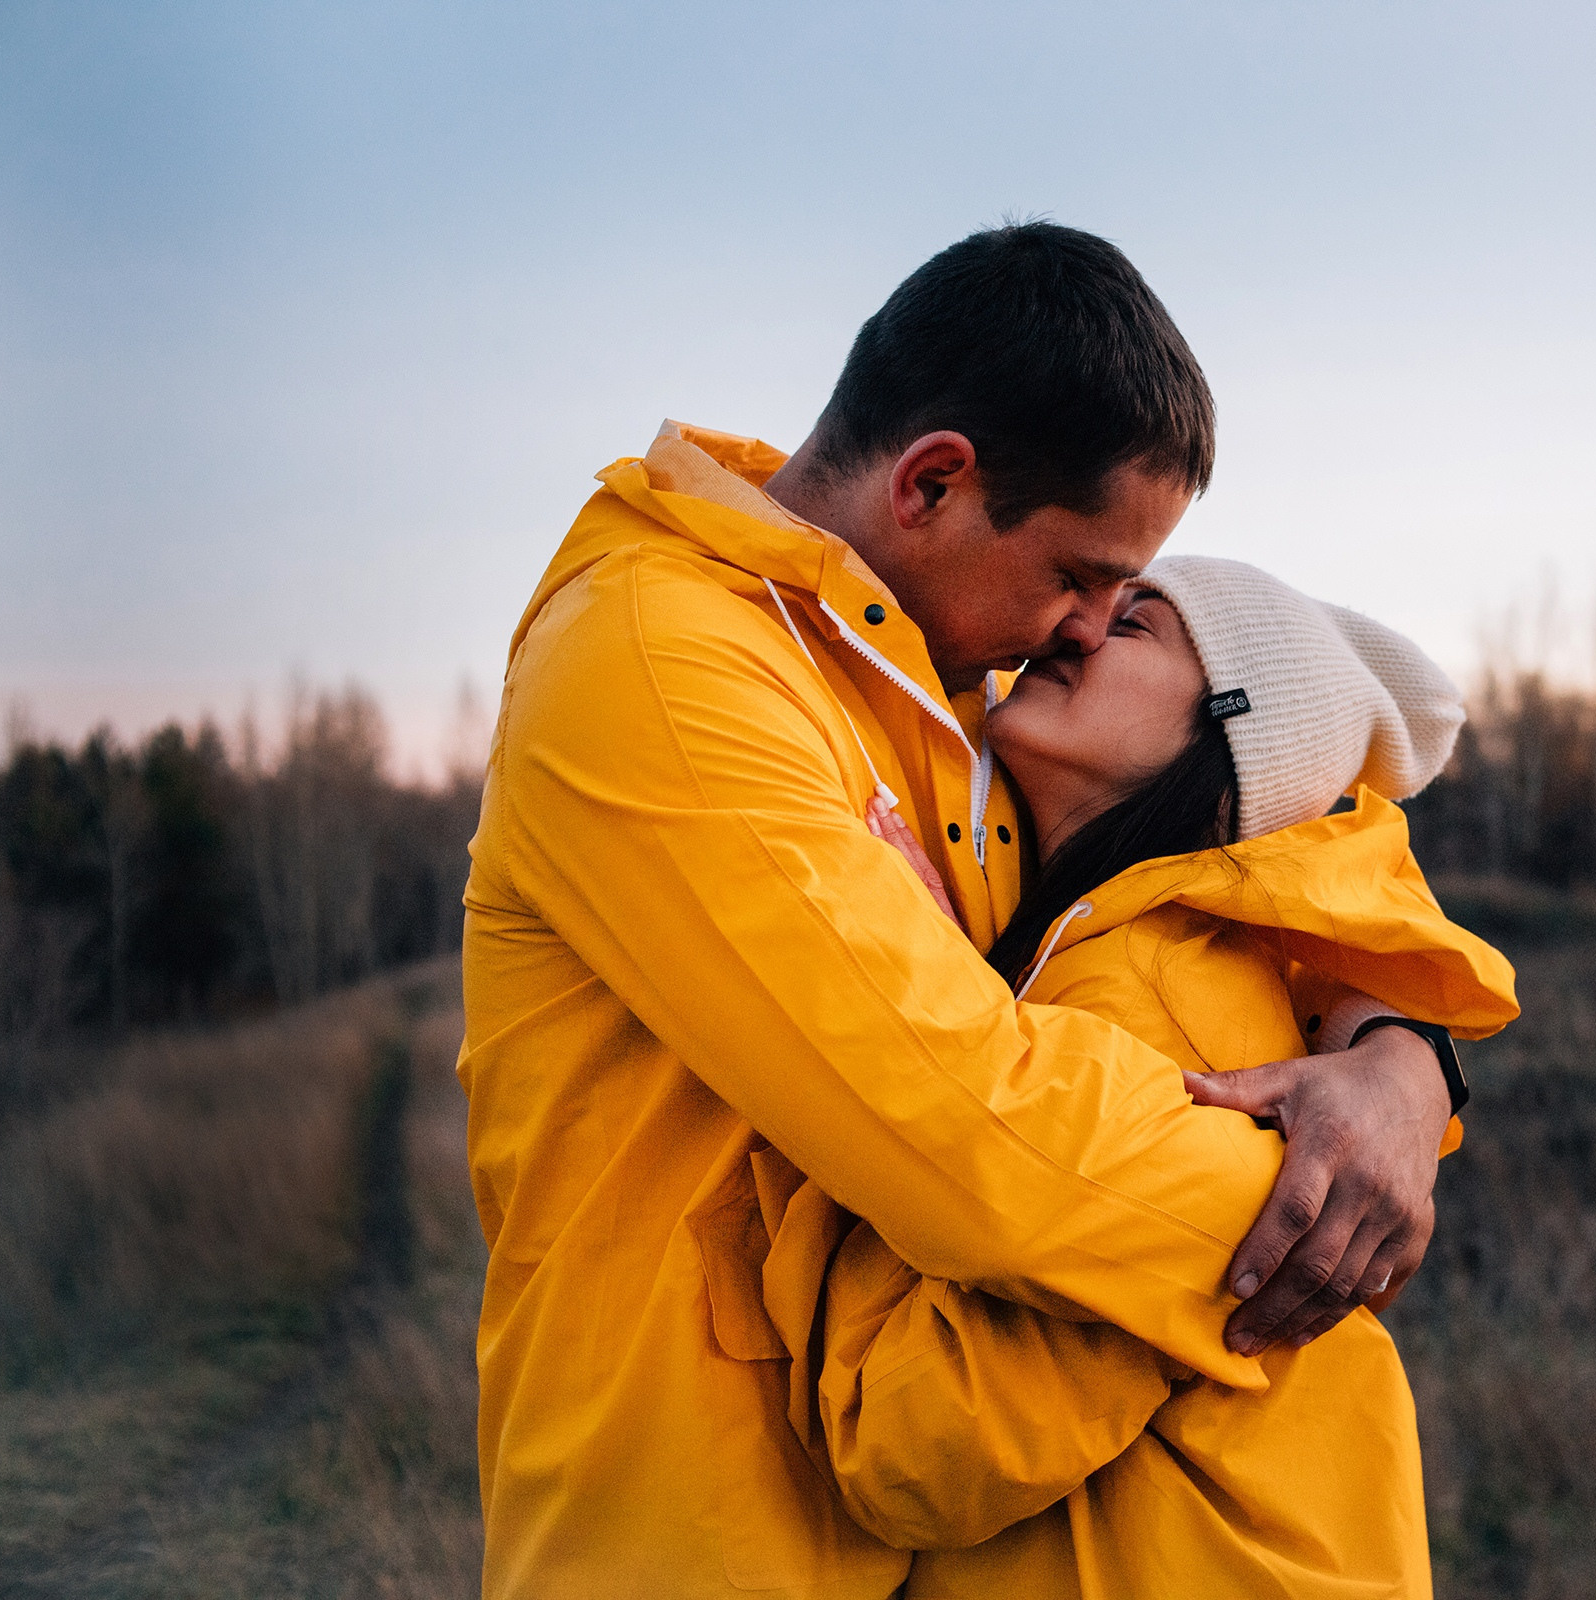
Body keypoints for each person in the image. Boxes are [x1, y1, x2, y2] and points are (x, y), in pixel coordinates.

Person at [459, 223, 1468, 1596]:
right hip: (688, 1539)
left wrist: (1403, 1059)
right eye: (1079, 576)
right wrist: (1319, 1200)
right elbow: (974, 1134)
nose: (1085, 626)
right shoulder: (664, 661)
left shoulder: (943, 687)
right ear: (932, 482)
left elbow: (1305, 823)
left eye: (1125, 601)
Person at [783, 557, 1518, 1597]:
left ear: (1225, 741)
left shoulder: (1148, 1008)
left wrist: (887, 1024)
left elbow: (912, 1452)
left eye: (1134, 626)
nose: (1076, 628)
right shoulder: (1144, 963)